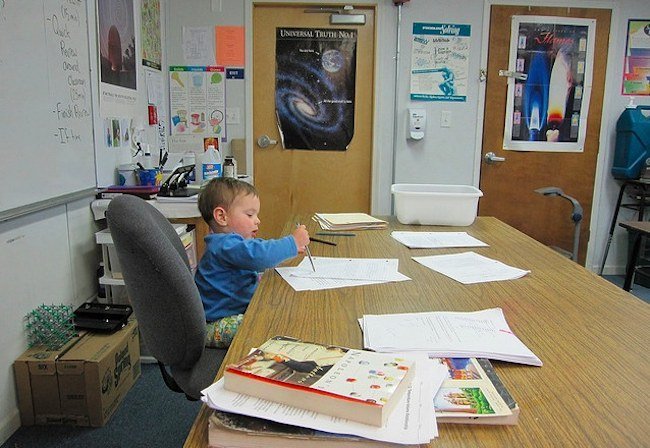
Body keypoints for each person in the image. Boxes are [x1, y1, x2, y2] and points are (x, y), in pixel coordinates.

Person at [195, 177, 310, 348]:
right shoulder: (225, 245)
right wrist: (292, 243)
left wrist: (289, 248)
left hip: (230, 313)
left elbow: (258, 249)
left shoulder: (228, 243)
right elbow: (259, 255)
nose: (257, 220)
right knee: (265, 323)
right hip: (217, 324)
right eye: (250, 215)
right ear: (221, 216)